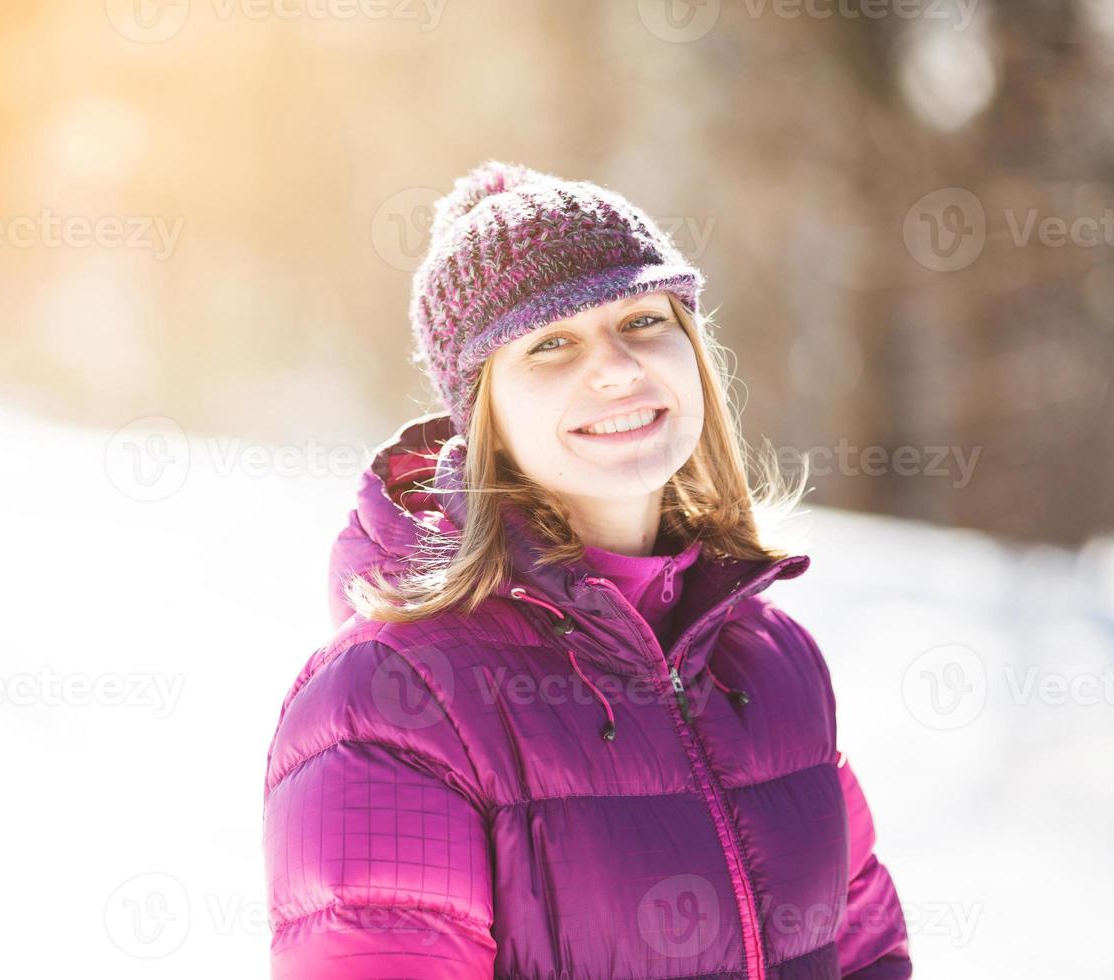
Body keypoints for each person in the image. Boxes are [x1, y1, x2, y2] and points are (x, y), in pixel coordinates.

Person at [262, 160, 912, 979]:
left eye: (643, 319)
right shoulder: (391, 700)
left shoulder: (776, 662)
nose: (615, 368)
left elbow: (866, 957)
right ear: (481, 409)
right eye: (552, 342)